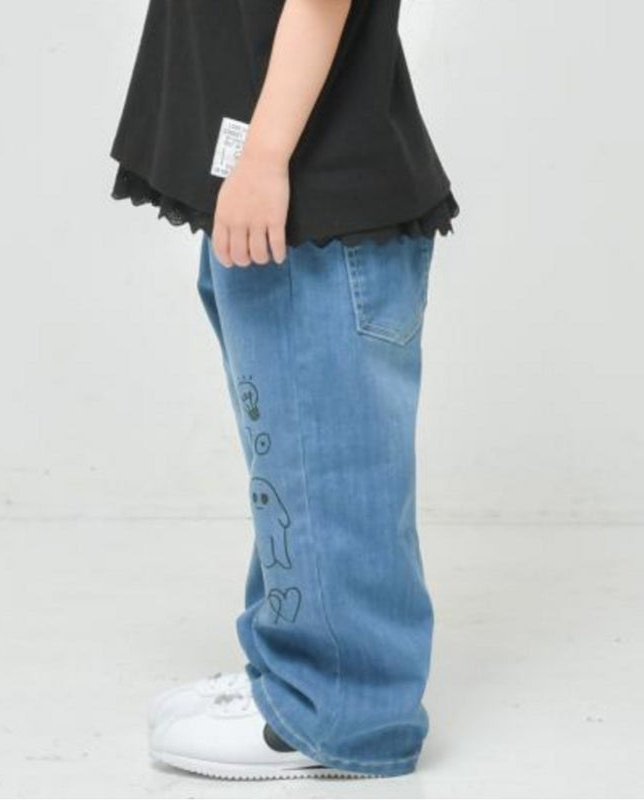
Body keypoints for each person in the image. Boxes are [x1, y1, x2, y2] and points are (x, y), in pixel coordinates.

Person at [109, 0, 460, 781]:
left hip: (316, 203)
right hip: (282, 189)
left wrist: (265, 157)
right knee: (294, 463)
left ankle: (343, 710)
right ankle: (291, 664)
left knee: (329, 461)